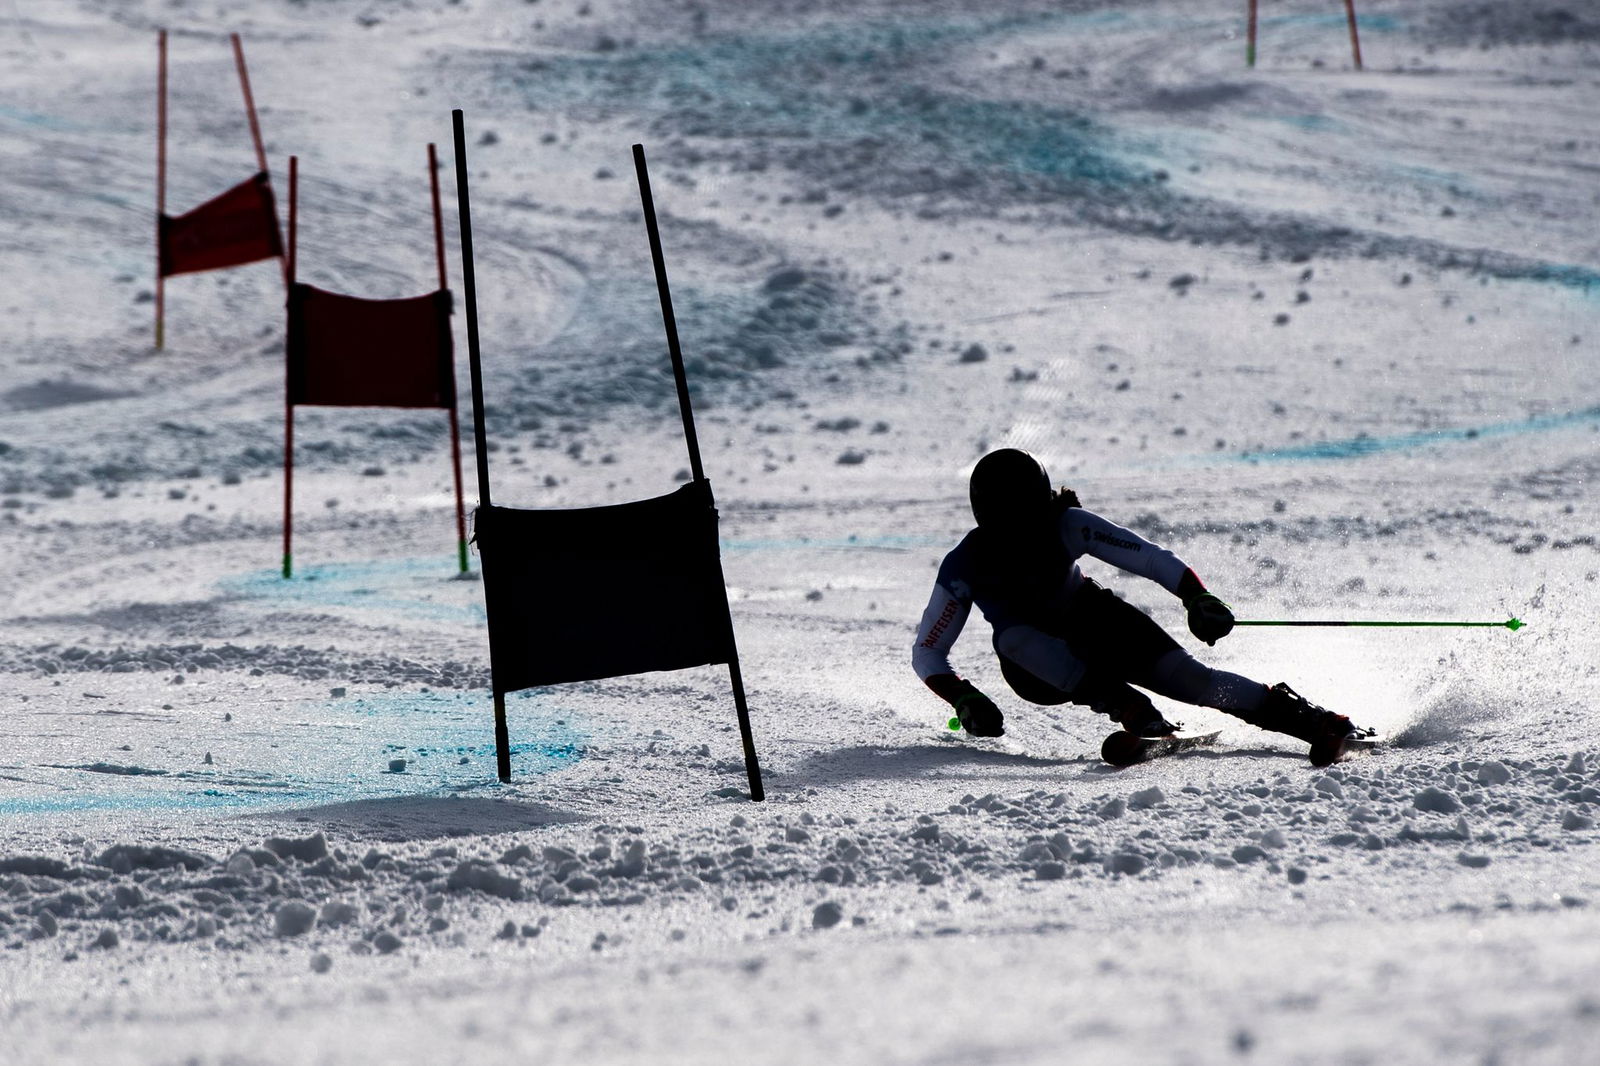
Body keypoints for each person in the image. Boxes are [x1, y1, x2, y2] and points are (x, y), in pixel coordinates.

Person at [912, 448, 1363, 766]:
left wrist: (1196, 596)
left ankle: (1316, 723)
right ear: (984, 518)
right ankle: (1130, 707)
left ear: (1042, 505)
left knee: (1193, 680)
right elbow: (927, 652)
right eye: (1007, 523)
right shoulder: (964, 564)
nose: (1021, 535)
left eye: (1028, 518)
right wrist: (964, 697)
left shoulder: (1066, 524)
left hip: (1096, 621)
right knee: (1014, 636)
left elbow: (1148, 557)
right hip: (1038, 671)